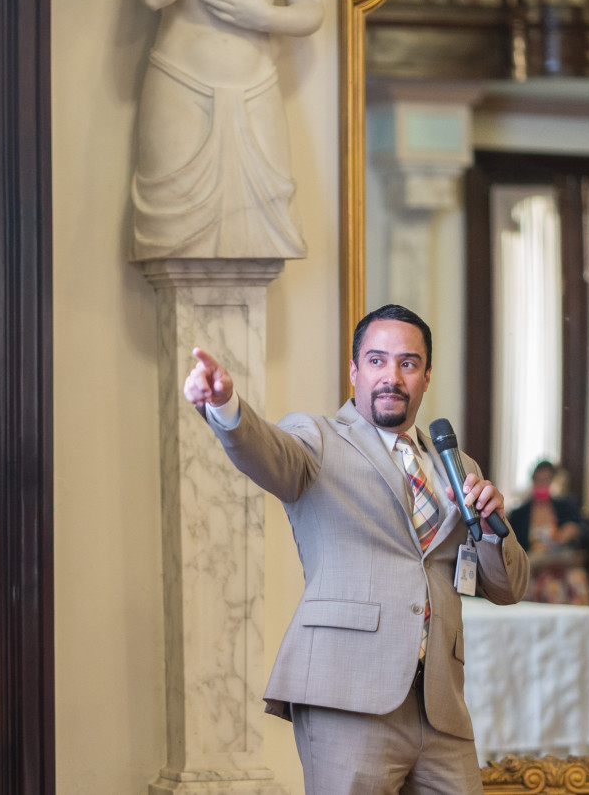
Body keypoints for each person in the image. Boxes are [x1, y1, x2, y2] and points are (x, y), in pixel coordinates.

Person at [183, 303, 529, 794]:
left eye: (408, 363)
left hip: (440, 706)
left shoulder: (459, 466)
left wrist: (494, 529)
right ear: (354, 371)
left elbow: (508, 588)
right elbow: (267, 452)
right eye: (376, 360)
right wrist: (225, 407)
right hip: (348, 695)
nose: (392, 376)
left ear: (426, 376)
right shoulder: (318, 439)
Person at [131, 0, 322, 260]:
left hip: (258, 88)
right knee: (176, 239)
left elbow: (311, 7)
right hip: (182, 86)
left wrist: (265, 16)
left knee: (264, 237)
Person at [508, 460, 589, 605]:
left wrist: (573, 530)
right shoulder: (519, 513)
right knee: (545, 584)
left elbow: (588, 533)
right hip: (534, 569)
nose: (542, 484)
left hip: (562, 565)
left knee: (575, 579)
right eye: (538, 480)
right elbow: (511, 545)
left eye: (546, 480)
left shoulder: (565, 506)